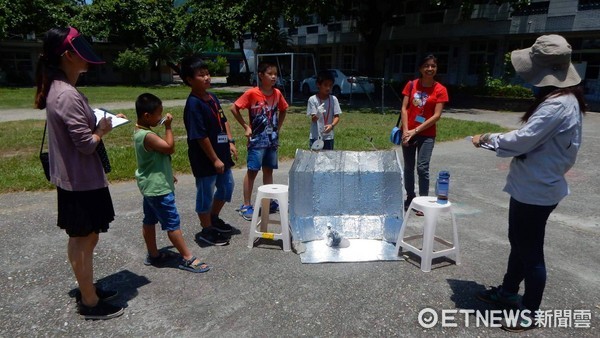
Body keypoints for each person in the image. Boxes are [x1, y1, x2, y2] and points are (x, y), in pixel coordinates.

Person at [471, 34, 585, 332]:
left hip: (536, 190)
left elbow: (521, 141)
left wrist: (485, 139)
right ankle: (508, 292)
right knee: (519, 242)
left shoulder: (556, 105)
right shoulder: (562, 100)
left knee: (531, 251)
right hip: (534, 186)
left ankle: (529, 310)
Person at [34, 27, 123, 320]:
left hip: (74, 178)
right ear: (69, 56)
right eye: (80, 51)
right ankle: (90, 301)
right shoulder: (67, 94)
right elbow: (86, 144)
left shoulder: (58, 88)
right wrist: (102, 128)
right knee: (85, 239)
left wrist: (99, 120)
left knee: (84, 237)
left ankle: (88, 288)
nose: (87, 58)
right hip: (81, 181)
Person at [133, 93, 211, 273]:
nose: (160, 117)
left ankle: (153, 254)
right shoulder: (147, 135)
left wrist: (169, 174)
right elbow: (170, 148)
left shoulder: (139, 132)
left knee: (149, 220)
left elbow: (154, 160)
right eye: (158, 114)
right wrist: (168, 127)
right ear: (147, 116)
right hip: (158, 189)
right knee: (172, 222)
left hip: (150, 185)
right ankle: (187, 257)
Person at [181, 57, 237, 246]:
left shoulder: (211, 97)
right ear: (189, 79)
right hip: (205, 159)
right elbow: (200, 136)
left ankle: (213, 218)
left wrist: (230, 141)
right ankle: (206, 230)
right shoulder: (193, 104)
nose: (206, 77)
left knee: (227, 186)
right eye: (201, 75)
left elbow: (224, 120)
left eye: (207, 73)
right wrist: (214, 159)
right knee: (205, 193)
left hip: (222, 153)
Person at [231, 61, 289, 221]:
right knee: (252, 171)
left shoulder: (277, 93)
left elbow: (284, 109)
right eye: (270, 74)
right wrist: (245, 127)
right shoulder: (252, 93)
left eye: (275, 74)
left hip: (271, 140)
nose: (273, 77)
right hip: (257, 140)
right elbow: (234, 108)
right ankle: (246, 204)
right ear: (261, 75)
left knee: (268, 170)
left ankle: (268, 201)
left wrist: (279, 127)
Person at [400, 54, 449, 216]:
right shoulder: (411, 85)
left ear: (436, 68)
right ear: (420, 68)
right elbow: (404, 109)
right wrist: (407, 130)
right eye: (426, 66)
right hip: (408, 132)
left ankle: (423, 200)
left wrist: (415, 130)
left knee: (422, 167)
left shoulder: (440, 89)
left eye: (433, 66)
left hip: (427, 134)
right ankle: (410, 197)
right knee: (408, 166)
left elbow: (437, 116)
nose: (430, 69)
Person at [307, 70, 341, 150]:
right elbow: (313, 119)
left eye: (330, 85)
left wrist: (331, 125)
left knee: (328, 159)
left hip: (328, 136)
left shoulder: (333, 99)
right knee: (315, 159)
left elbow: (337, 116)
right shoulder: (312, 99)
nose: (328, 88)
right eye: (325, 85)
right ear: (318, 85)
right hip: (315, 136)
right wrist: (318, 113)